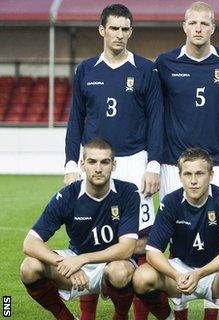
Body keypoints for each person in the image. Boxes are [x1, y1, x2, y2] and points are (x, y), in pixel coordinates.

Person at [63, 4, 164, 318]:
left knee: (142, 239)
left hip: (135, 163)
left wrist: (153, 164)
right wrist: (69, 164)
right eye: (114, 28)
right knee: (88, 235)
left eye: (125, 29)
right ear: (102, 30)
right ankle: (88, 314)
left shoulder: (146, 70)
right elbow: (75, 121)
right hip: (94, 165)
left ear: (131, 32)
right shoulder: (86, 70)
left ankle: (135, 314)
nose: (120, 35)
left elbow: (156, 120)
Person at [153, 2, 219, 318]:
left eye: (205, 23)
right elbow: (153, 112)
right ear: (184, 26)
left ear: (213, 28)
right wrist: (153, 160)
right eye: (193, 23)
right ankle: (179, 306)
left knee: (218, 235)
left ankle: (212, 309)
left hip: (218, 161)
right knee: (178, 233)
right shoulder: (165, 63)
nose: (199, 28)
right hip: (174, 163)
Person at [20, 138, 139, 320]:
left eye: (104, 162)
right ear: (82, 164)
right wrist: (65, 263)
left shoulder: (128, 192)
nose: (98, 168)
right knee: (28, 267)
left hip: (112, 264)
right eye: (92, 162)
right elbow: (30, 243)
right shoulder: (67, 196)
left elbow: (127, 248)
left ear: (113, 165)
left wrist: (82, 260)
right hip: (74, 264)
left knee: (120, 272)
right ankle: (65, 317)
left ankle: (121, 316)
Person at [133, 148, 219, 320]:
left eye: (199, 174)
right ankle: (168, 318)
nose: (193, 181)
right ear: (180, 176)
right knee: (142, 277)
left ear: (211, 175)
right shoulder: (170, 202)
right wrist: (176, 275)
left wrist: (200, 273)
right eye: (187, 174)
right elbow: (152, 252)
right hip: (180, 273)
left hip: (213, 273)